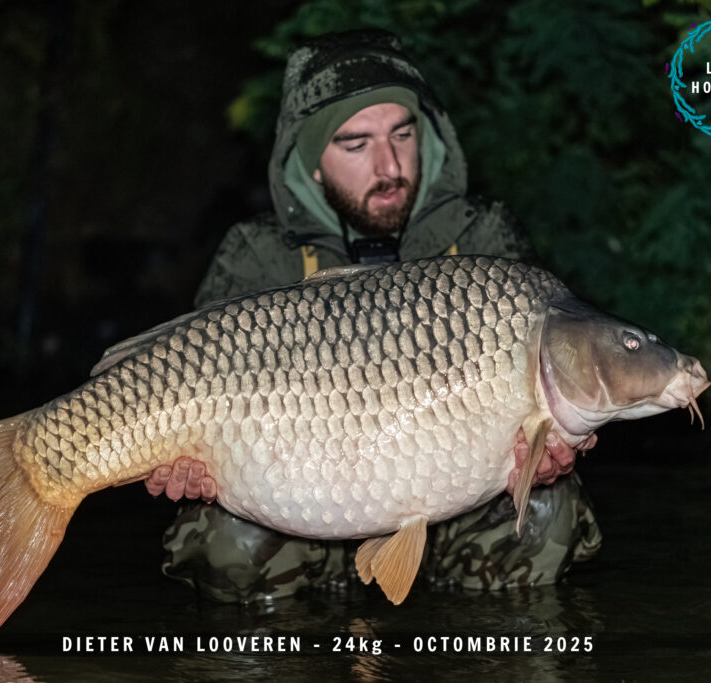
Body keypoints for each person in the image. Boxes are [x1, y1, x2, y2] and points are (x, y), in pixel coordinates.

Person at [144, 29, 601, 602]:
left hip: (455, 504)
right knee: (224, 547)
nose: (388, 165)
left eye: (402, 135)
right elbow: (192, 407)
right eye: (356, 145)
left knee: (545, 513)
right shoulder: (257, 256)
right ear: (311, 165)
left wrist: (545, 454)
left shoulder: (482, 237)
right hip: (296, 509)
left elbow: (547, 398)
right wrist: (192, 474)